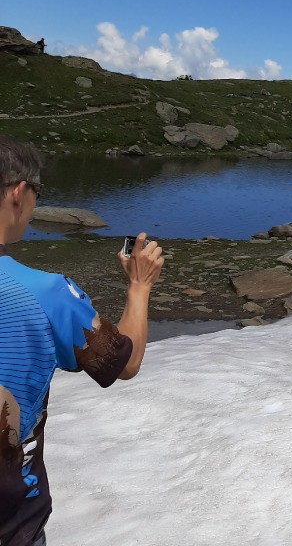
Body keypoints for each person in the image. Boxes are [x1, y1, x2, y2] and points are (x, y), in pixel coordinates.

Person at [0, 135, 163, 546]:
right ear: (19, 193)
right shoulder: (44, 294)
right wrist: (140, 286)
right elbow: (123, 362)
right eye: (39, 192)